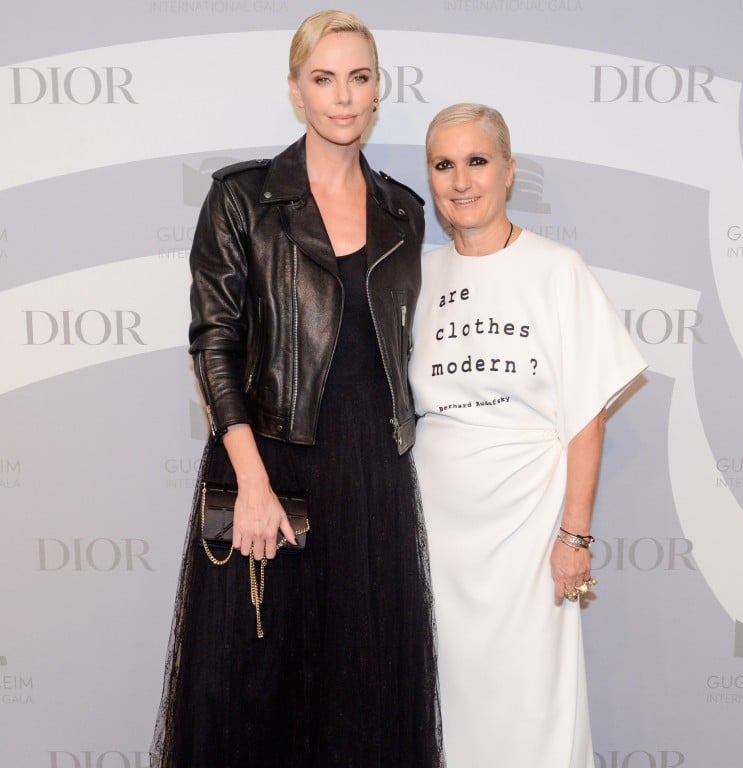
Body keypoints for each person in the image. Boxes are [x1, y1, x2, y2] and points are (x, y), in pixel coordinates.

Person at [151, 11, 443, 768]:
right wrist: (251, 483)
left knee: (363, 693)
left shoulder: (404, 212)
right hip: (268, 463)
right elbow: (214, 343)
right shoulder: (244, 199)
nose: (343, 97)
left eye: (359, 77)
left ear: (379, 90)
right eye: (324, 79)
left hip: (372, 476)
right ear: (295, 91)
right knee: (248, 691)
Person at [409, 103, 647, 768]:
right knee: (446, 705)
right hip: (437, 538)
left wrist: (575, 536)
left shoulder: (557, 269)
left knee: (532, 705)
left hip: (531, 534)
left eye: (477, 161)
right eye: (444, 165)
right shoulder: (417, 278)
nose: (462, 181)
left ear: (509, 172)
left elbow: (586, 414)